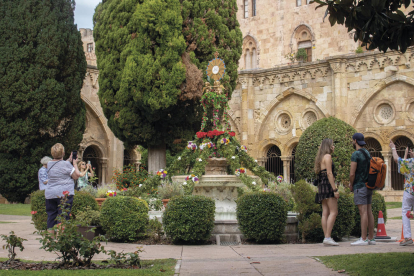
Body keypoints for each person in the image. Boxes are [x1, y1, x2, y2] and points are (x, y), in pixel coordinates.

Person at [45, 143, 80, 230]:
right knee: (63, 216)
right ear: (63, 153)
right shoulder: (66, 165)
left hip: (50, 194)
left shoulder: (49, 164)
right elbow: (76, 176)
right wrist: (75, 163)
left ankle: (50, 240)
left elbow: (59, 164)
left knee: (51, 217)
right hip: (64, 194)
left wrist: (69, 160)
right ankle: (60, 239)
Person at [349, 133, 375, 246]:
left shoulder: (356, 154)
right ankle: (371, 238)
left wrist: (351, 184)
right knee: (369, 211)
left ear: (355, 141)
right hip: (369, 185)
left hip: (360, 186)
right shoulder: (367, 153)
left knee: (363, 212)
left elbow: (352, 173)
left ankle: (363, 238)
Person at [314, 138, 339, 246]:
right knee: (333, 212)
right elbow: (329, 173)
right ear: (328, 146)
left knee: (325, 212)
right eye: (332, 145)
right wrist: (335, 189)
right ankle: (328, 237)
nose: (333, 147)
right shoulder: (328, 157)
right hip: (328, 186)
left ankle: (326, 237)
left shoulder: (320, 158)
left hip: (321, 186)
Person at [390, 140, 414, 246]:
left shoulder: (411, 162)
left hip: (409, 190)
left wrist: (393, 148)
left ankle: (408, 237)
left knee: (405, 212)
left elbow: (397, 160)